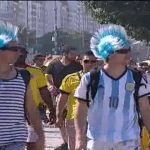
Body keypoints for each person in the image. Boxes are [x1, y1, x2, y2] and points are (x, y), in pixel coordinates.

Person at [74, 24, 150, 150]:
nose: (128, 54)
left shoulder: (138, 77)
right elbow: (81, 108)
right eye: (122, 51)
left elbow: (145, 108)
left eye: (128, 49)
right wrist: (79, 137)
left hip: (129, 141)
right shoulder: (91, 78)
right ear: (108, 53)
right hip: (97, 140)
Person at [0, 22, 44, 149]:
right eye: (14, 49)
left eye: (19, 49)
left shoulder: (24, 76)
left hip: (16, 141)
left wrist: (40, 137)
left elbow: (31, 109)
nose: (19, 53)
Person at [15, 46, 55, 150]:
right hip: (11, 113)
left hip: (32, 112)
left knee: (32, 144)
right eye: (19, 54)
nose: (21, 56)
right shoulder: (4, 71)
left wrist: (51, 109)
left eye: (23, 54)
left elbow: (44, 92)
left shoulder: (36, 71)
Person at [56, 51, 98, 150]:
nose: (90, 64)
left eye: (93, 61)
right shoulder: (70, 78)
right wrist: (59, 116)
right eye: (87, 61)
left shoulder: (102, 79)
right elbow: (62, 99)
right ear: (81, 62)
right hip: (74, 119)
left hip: (96, 120)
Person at [46, 46, 83, 150]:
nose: (75, 56)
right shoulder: (54, 64)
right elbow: (47, 76)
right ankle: (66, 141)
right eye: (73, 54)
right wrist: (50, 85)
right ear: (65, 54)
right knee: (61, 118)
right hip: (58, 94)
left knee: (70, 118)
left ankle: (71, 141)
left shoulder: (77, 66)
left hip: (72, 95)